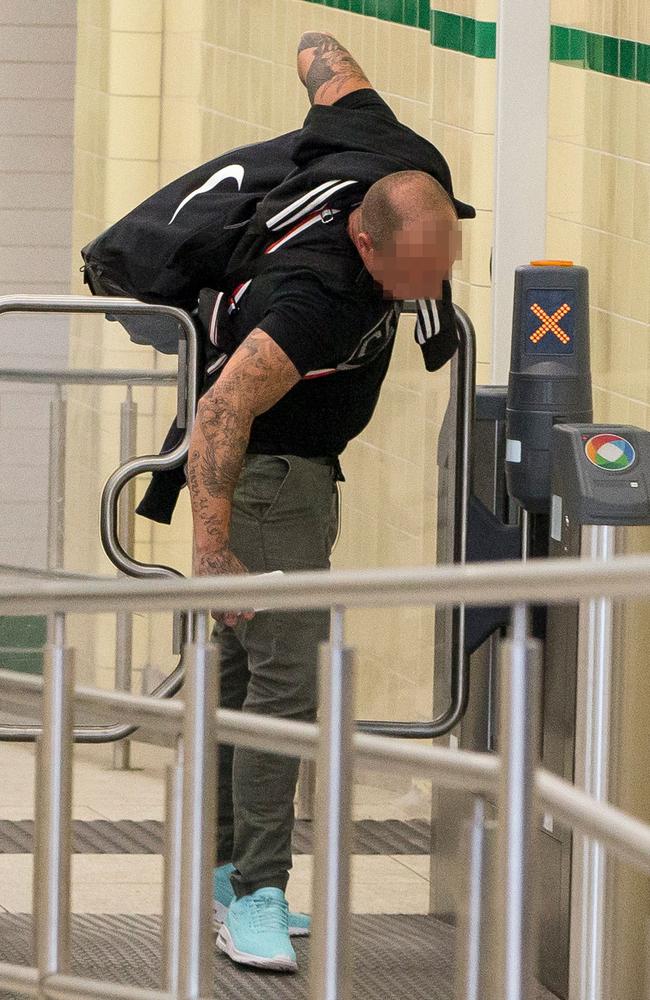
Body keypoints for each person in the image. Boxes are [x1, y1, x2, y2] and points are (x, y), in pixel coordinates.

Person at [186, 31, 472, 973]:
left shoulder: (386, 150)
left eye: (443, 265)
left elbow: (324, 55)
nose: (427, 290)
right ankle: (259, 892)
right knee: (286, 691)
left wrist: (310, 48)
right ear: (362, 239)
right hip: (267, 479)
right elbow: (222, 409)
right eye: (412, 276)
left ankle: (230, 873)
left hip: (302, 476)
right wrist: (214, 550)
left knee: (244, 679)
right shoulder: (315, 298)